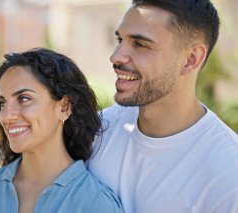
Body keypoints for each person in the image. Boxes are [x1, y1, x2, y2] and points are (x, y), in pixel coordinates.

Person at [88, 0, 238, 212]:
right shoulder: (97, 131)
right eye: (120, 40)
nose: (116, 56)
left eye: (140, 44)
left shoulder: (228, 174)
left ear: (191, 59)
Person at [0, 48, 123, 213]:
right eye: (3, 103)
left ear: (64, 107)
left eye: (24, 98)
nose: (6, 116)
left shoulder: (96, 204)